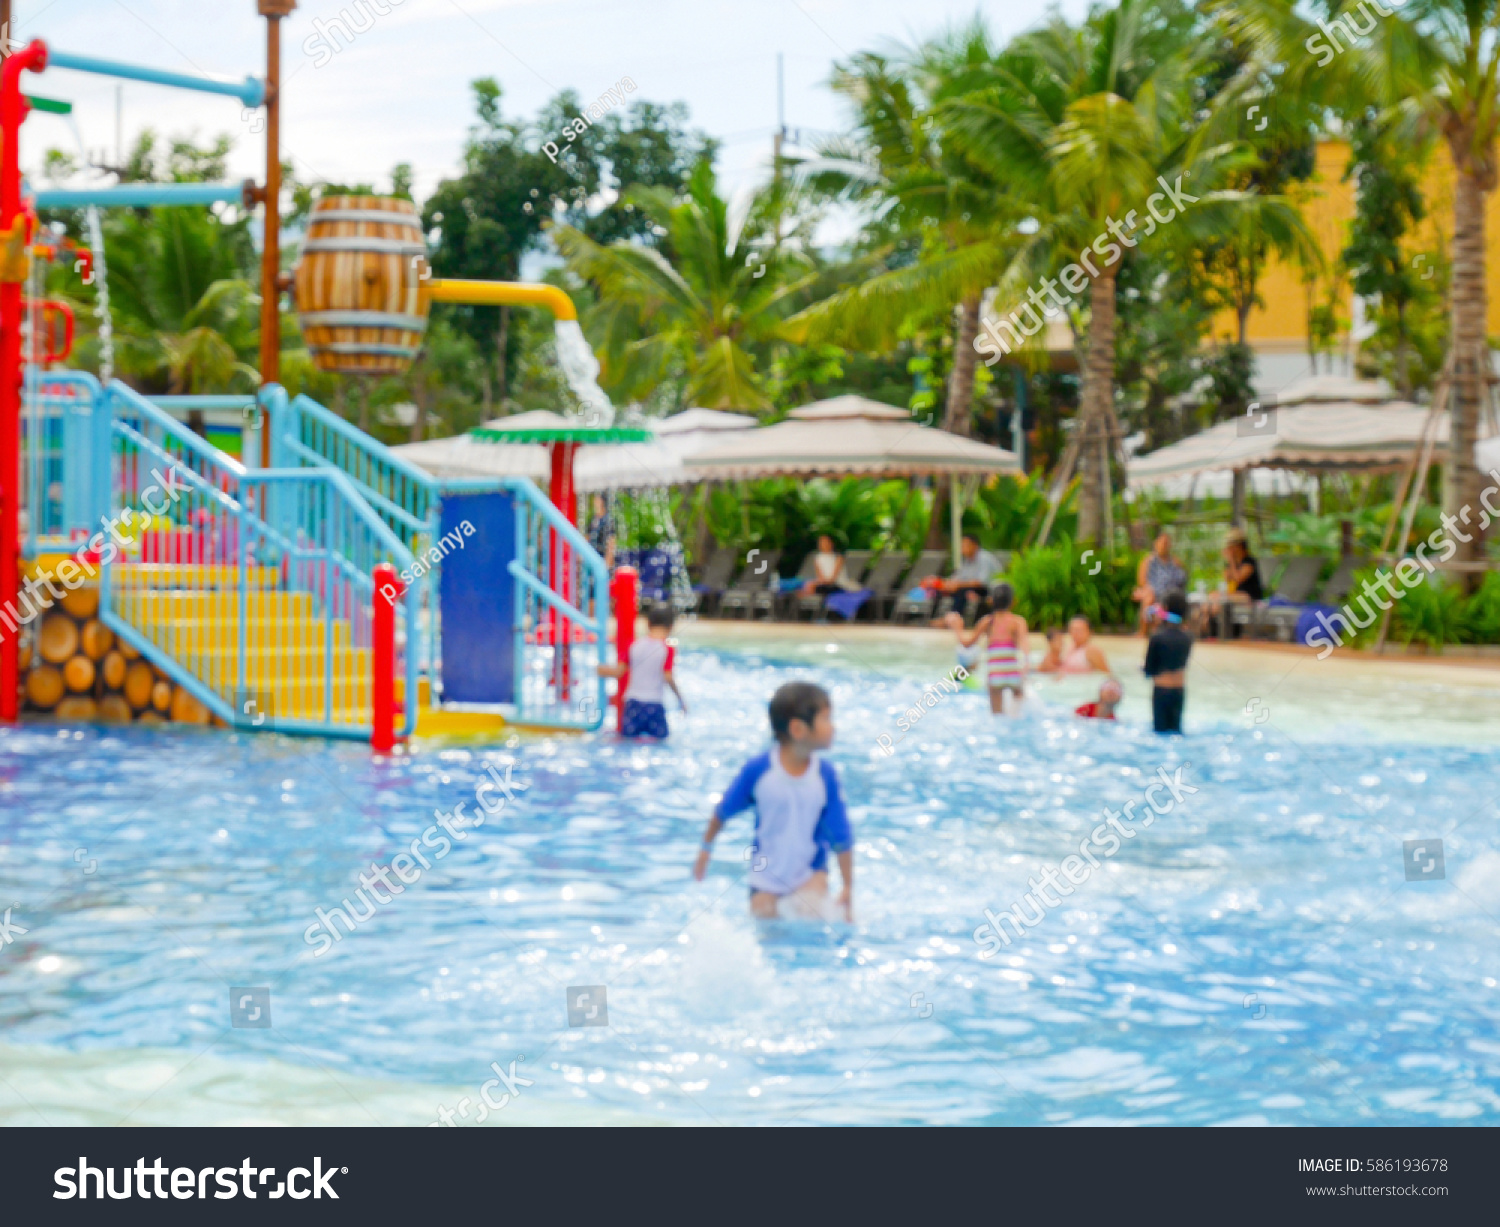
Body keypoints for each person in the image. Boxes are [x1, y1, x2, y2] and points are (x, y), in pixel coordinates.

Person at [693, 681, 853, 921]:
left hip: (810, 874)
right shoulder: (759, 771)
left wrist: (848, 886)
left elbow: (841, 835)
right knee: (766, 930)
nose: (833, 727)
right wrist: (706, 849)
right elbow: (723, 811)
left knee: (812, 916)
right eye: (826, 719)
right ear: (798, 729)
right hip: (764, 878)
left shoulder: (825, 776)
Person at [599, 604, 685, 737]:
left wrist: (601, 670)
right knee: (660, 741)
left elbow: (619, 672)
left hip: (632, 703)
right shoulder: (668, 648)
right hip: (654, 704)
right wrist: (680, 699)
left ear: (648, 624)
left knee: (627, 740)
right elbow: (667, 676)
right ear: (671, 626)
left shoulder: (634, 645)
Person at [947, 581, 1029, 715]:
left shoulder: (987, 621)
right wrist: (1026, 662)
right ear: (1013, 602)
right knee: (1018, 709)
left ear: (990, 601)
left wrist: (958, 627)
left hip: (995, 674)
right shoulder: (1017, 622)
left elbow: (966, 643)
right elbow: (1024, 644)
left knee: (997, 715)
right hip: (1013, 672)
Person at [1143, 590, 1192, 734]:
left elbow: (1149, 669)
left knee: (1160, 731)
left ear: (1164, 609)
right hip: (1179, 690)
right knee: (1176, 730)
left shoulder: (1157, 638)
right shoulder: (1188, 638)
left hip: (1161, 690)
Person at [1202, 528, 1264, 638]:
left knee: (1219, 601)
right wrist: (1230, 561)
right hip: (1236, 595)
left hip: (1249, 596)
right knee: (1212, 597)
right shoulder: (1234, 563)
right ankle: (1207, 628)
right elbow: (1226, 578)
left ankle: (1220, 633)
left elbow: (1238, 578)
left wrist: (1231, 560)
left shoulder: (1249, 562)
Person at [940, 534, 1002, 624]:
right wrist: (948, 584)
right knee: (942, 590)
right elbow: (959, 577)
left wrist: (958, 585)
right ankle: (942, 618)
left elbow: (981, 582)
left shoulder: (984, 558)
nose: (962, 548)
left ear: (975, 546)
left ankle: (954, 619)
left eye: (965, 545)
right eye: (962, 545)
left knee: (962, 591)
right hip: (974, 589)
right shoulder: (968, 560)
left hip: (991, 590)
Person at [1133, 531, 1187, 634]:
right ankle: (1143, 632)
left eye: (1166, 543)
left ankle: (1175, 626)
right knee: (1148, 599)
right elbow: (1142, 581)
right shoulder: (1148, 561)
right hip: (1154, 595)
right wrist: (1146, 591)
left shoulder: (1175, 562)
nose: (1164, 546)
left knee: (1173, 602)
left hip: (1172, 595)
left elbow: (1183, 580)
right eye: (1162, 543)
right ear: (1156, 544)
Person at [585, 493, 616, 571]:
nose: (594, 503)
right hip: (592, 561)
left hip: (602, 560)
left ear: (602, 502)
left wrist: (607, 564)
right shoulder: (593, 520)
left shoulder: (608, 521)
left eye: (597, 500)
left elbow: (611, 542)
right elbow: (586, 539)